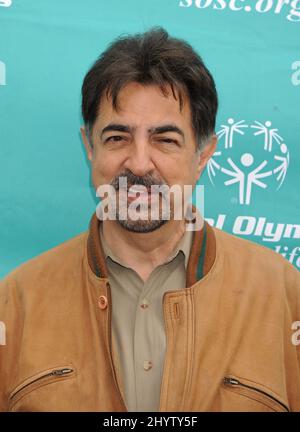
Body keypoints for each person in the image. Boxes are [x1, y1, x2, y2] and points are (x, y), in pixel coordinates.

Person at [0, 27, 299, 412]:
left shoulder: (282, 295)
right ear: (89, 147)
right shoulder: (16, 303)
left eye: (165, 139)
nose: (139, 163)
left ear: (204, 154)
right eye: (117, 137)